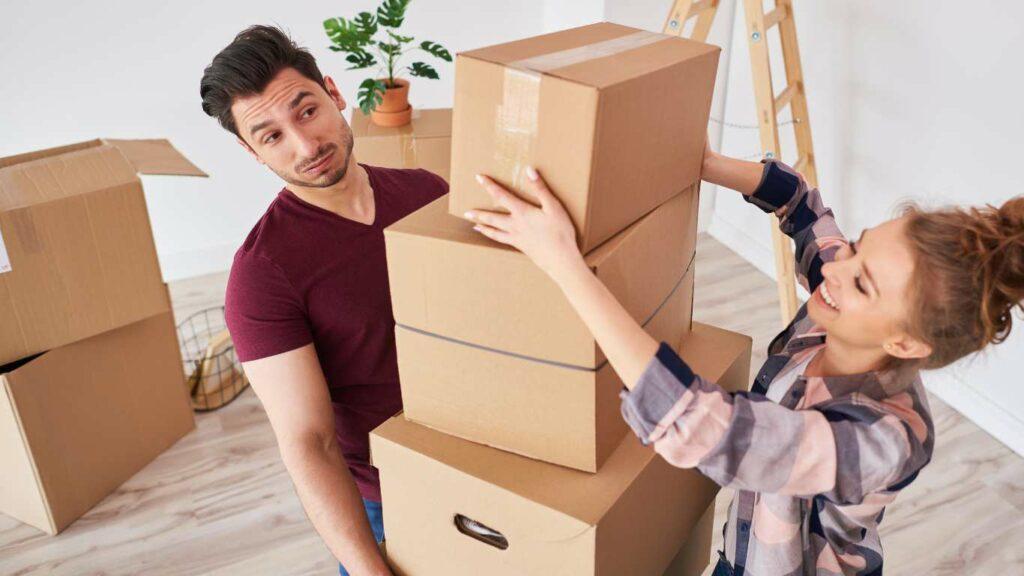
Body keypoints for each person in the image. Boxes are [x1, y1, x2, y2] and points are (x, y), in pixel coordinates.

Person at [462, 144, 1024, 575]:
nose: (833, 270)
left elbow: (706, 430)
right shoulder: (835, 309)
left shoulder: (887, 438)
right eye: (855, 246)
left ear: (905, 344)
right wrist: (703, 160)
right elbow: (803, 204)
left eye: (861, 282)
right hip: (748, 542)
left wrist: (564, 264)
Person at [200, 26, 447, 576]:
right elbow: (309, 442)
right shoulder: (262, 276)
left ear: (335, 94)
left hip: (488, 457)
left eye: (306, 111)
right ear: (251, 151)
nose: (304, 146)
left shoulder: (429, 193)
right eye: (271, 136)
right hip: (391, 501)